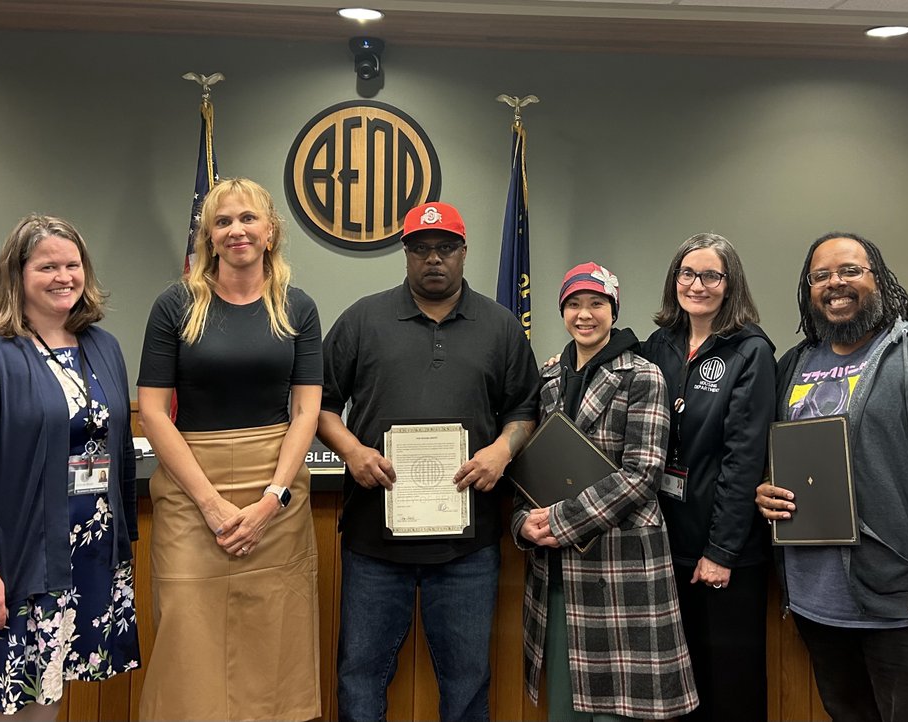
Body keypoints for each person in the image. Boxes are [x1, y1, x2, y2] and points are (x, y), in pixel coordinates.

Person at [755, 232, 908, 722]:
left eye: (850, 270)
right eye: (821, 275)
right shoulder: (794, 363)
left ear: (879, 279)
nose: (836, 283)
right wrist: (766, 491)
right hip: (817, 606)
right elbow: (780, 455)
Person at [318, 201, 539, 722]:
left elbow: (525, 410)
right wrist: (351, 450)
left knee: (466, 682)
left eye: (444, 249)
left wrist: (501, 449)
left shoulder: (501, 326)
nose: (432, 259)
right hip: (376, 540)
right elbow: (318, 407)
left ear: (464, 253)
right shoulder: (362, 319)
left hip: (467, 546)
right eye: (420, 249)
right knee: (360, 676)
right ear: (406, 254)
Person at [0, 214, 139, 721]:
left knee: (46, 699)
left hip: (83, 556)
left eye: (73, 265)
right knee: (0, 703)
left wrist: (120, 548)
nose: (63, 276)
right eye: (47, 266)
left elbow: (115, 448)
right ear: (17, 275)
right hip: (11, 561)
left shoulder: (102, 347)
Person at [136, 178, 322, 720]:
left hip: (277, 490)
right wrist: (211, 504)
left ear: (271, 232)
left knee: (275, 643)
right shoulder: (175, 305)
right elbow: (152, 411)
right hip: (191, 491)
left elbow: (306, 411)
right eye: (222, 222)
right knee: (187, 639)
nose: (236, 230)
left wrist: (272, 501)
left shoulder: (298, 307)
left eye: (247, 219)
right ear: (208, 237)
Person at [513, 262, 698, 721]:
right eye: (573, 304)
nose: (584, 314)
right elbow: (532, 469)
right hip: (558, 573)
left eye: (596, 303)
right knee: (565, 706)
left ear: (613, 310)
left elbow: (642, 473)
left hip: (622, 568)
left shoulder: (644, 375)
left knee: (620, 712)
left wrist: (559, 522)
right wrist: (523, 524)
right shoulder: (549, 379)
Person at [641, 234, 775, 720]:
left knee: (730, 687)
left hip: (725, 552)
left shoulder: (750, 350)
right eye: (687, 274)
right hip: (667, 543)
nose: (697, 285)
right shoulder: (661, 344)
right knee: (679, 688)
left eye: (711, 276)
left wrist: (720, 552)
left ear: (729, 282)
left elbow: (744, 458)